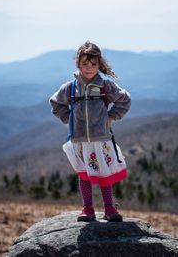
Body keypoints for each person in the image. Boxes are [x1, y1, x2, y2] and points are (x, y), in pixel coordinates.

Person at [49, 41, 131, 222]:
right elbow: (55, 103)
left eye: (93, 64)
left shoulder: (105, 86)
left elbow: (124, 100)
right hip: (79, 140)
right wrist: (67, 118)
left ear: (99, 64)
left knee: (104, 173)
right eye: (85, 64)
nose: (89, 68)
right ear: (78, 63)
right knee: (84, 174)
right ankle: (88, 209)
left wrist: (111, 117)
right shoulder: (70, 87)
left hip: (101, 138)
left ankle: (110, 208)